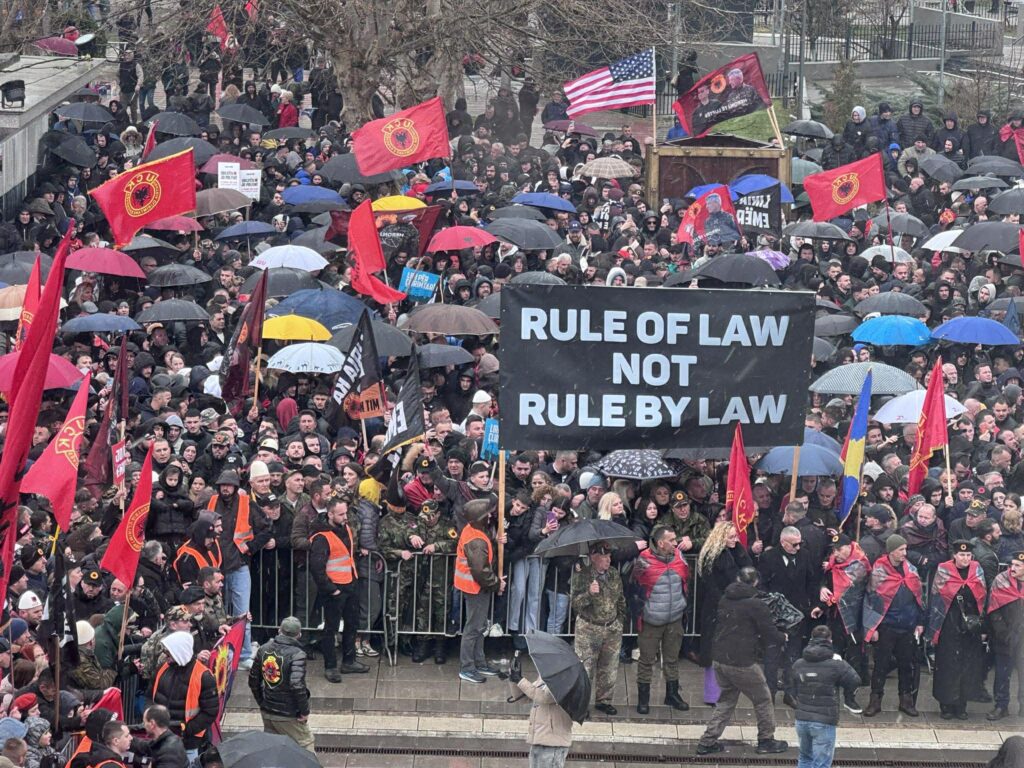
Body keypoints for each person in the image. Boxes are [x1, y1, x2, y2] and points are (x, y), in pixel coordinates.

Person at [696, 567, 788, 756]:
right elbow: (769, 633)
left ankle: (707, 742)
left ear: (738, 579)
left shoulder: (725, 598)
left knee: (726, 701)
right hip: (742, 661)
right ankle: (766, 740)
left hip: (720, 658)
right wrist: (783, 637)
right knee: (763, 699)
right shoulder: (756, 605)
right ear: (756, 582)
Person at [861, 535, 924, 717]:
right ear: (891, 551)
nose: (905, 553)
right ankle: (875, 701)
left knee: (906, 666)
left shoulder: (911, 570)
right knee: (880, 665)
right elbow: (871, 602)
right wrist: (872, 628)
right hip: (886, 626)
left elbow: (919, 598)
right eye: (901, 549)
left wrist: (920, 622)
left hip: (907, 626)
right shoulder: (878, 572)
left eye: (905, 549)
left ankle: (906, 701)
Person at [309, 495, 368, 682]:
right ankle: (330, 666)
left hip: (350, 583)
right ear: (330, 514)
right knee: (331, 628)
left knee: (352, 624)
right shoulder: (321, 537)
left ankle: (349, 661)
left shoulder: (345, 528)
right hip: (335, 589)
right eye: (341, 514)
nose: (345, 517)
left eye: (346, 513)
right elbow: (317, 568)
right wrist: (331, 589)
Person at [632, 526, 689, 715]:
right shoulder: (644, 560)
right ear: (661, 543)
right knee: (646, 660)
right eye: (671, 540)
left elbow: (686, 580)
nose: (675, 543)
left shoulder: (679, 556)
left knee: (672, 659)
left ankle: (672, 694)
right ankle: (643, 699)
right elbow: (634, 586)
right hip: (651, 620)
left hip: (675, 617)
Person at [927, 540, 987, 720]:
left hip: (970, 626)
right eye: (962, 555)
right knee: (947, 665)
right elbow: (936, 599)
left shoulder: (977, 570)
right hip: (948, 623)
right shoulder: (943, 570)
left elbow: (982, 597)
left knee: (967, 666)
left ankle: (961, 704)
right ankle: (946, 704)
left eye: (968, 555)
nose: (965, 558)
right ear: (954, 555)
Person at [791, 626, 861, 768]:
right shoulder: (836, 665)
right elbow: (855, 680)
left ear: (811, 639)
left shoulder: (799, 664)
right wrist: (848, 698)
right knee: (821, 764)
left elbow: (790, 683)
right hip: (824, 720)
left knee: (805, 758)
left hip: (802, 719)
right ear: (830, 640)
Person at [570, 541, 625, 715]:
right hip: (589, 628)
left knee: (609, 667)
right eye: (604, 556)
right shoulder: (582, 575)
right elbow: (575, 604)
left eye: (609, 556)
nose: (608, 559)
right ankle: (581, 704)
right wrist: (589, 594)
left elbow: (621, 599)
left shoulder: (614, 574)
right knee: (585, 669)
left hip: (611, 627)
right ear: (593, 557)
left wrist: (620, 621)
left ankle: (604, 700)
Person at [454, 498, 504, 684]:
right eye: (487, 514)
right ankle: (467, 668)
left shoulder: (473, 531)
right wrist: (497, 584)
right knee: (474, 628)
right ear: (479, 518)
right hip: (475, 588)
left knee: (479, 626)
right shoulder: (476, 539)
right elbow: (481, 571)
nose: (490, 516)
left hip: (474, 587)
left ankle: (479, 662)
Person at [151, 631, 218, 765]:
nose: (165, 655)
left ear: (179, 652)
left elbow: (210, 712)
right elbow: (149, 696)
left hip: (188, 742)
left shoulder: (203, 676)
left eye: (168, 653)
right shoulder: (162, 669)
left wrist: (186, 730)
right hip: (161, 737)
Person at [249, 617, 312, 751]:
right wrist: (304, 711)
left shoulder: (263, 649)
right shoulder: (297, 654)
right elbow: (297, 685)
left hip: (268, 710)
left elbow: (253, 680)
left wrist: (262, 702)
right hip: (289, 713)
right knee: (306, 746)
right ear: (299, 635)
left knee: (273, 751)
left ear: (279, 630)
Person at [509, 656, 573, 768]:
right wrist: (513, 679)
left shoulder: (565, 678)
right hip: (538, 739)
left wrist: (520, 680)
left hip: (553, 743)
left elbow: (545, 697)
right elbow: (523, 698)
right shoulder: (544, 678)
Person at [986, 550, 1024, 721]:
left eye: (1018, 565)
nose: (1013, 568)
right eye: (1012, 564)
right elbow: (993, 609)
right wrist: (1002, 632)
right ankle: (1001, 705)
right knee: (1003, 672)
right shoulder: (1001, 580)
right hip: (1005, 634)